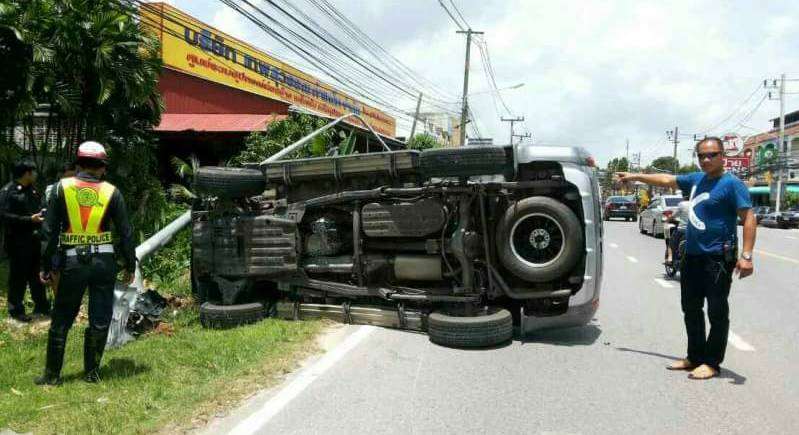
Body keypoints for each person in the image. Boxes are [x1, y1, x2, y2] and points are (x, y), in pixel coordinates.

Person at [616, 137, 756, 380]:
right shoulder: (696, 179)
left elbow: (749, 218)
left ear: (723, 156)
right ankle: (694, 357)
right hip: (692, 256)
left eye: (711, 155)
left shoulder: (732, 184)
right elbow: (667, 179)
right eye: (701, 155)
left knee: (716, 311)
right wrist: (635, 176)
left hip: (718, 258)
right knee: (691, 309)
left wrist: (746, 256)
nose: (706, 159)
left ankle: (712, 362)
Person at [35, 141, 136, 386]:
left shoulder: (61, 188)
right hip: (104, 262)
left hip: (72, 263)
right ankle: (91, 374)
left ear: (78, 164)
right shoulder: (113, 192)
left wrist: (46, 266)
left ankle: (51, 376)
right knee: (100, 317)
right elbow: (125, 232)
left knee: (62, 318)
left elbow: (48, 232)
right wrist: (130, 265)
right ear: (102, 167)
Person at [0, 159, 49, 322]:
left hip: (35, 239)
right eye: (33, 171)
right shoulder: (9, 191)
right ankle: (16, 310)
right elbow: (3, 215)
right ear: (26, 173)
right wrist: (29, 219)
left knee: (37, 275)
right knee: (18, 276)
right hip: (17, 241)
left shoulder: (32, 191)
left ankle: (42, 306)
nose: (35, 174)